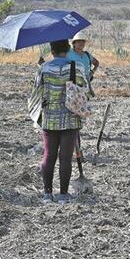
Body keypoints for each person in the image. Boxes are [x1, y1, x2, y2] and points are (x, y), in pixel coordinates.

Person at [30, 39, 88, 204]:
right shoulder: (77, 67)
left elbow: (36, 91)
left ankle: (47, 194)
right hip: (70, 117)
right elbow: (86, 90)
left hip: (49, 118)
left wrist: (41, 69)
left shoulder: (44, 68)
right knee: (65, 157)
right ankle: (63, 194)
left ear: (52, 50)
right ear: (68, 49)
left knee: (49, 155)